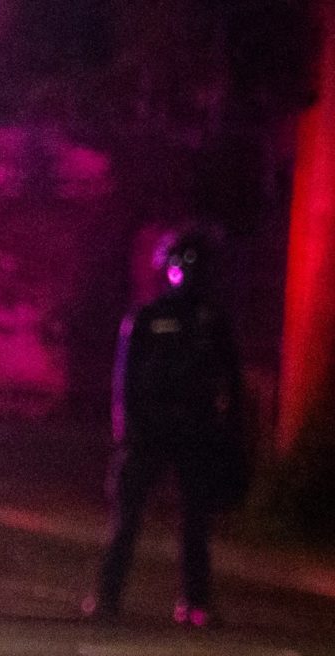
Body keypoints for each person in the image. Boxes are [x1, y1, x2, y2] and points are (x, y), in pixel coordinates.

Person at [90, 228, 247, 628]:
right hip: (150, 429)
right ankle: (108, 595)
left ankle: (195, 602)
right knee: (127, 520)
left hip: (195, 429)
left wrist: (229, 433)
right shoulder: (146, 317)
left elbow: (232, 381)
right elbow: (124, 381)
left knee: (195, 523)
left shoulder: (212, 322)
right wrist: (126, 430)